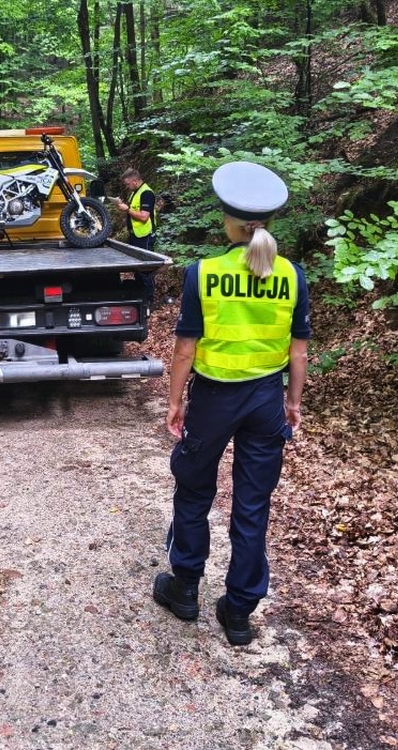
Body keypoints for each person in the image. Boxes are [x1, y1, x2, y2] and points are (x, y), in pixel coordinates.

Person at [151, 161, 310, 647]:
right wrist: (292, 401)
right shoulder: (292, 275)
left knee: (194, 492)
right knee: (252, 504)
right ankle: (238, 611)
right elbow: (298, 351)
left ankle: (184, 590)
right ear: (269, 222)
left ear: (227, 221)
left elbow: (185, 349)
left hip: (214, 398)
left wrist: (175, 401)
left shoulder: (204, 273)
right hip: (265, 400)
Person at [114, 167, 158, 303]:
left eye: (127, 184)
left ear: (135, 181)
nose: (127, 187)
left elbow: (144, 217)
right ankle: (140, 297)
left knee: (145, 269)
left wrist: (127, 209)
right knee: (137, 268)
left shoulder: (147, 193)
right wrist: (122, 206)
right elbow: (133, 211)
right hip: (135, 235)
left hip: (144, 236)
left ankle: (149, 300)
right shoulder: (135, 192)